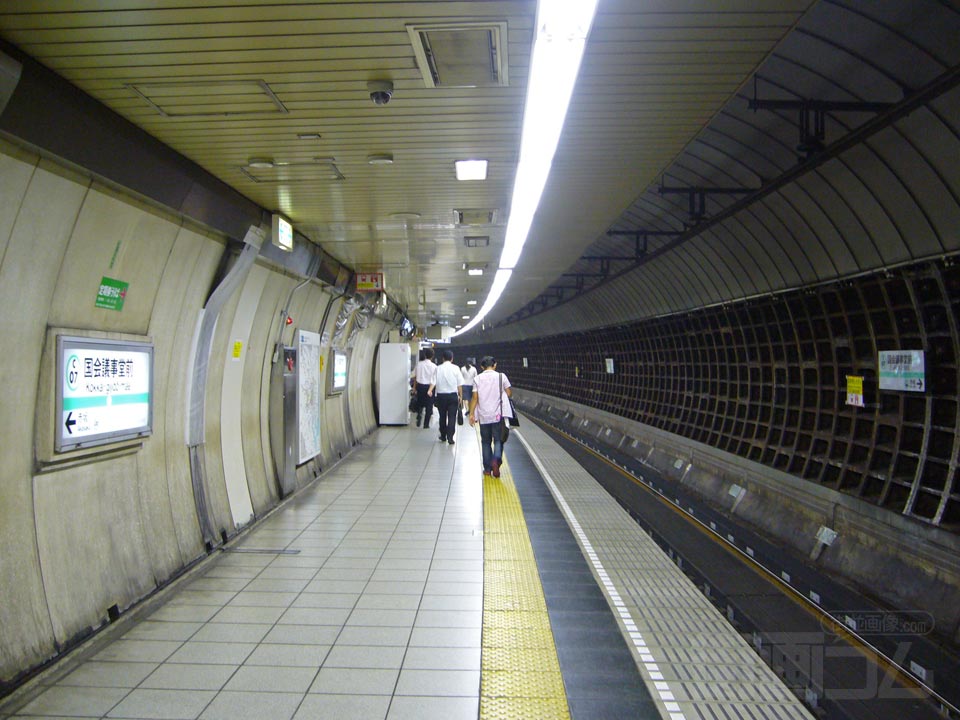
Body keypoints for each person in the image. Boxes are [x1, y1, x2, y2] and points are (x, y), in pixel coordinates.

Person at [468, 356, 512, 478]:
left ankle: (487, 469)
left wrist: (471, 414)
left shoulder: (477, 378)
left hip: (483, 416)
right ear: (495, 365)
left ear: (481, 367)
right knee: (498, 440)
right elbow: (509, 393)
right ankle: (496, 460)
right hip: (498, 415)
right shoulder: (501, 376)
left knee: (486, 442)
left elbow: (475, 398)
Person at [430, 348, 462, 444]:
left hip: (441, 396)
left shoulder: (438, 368)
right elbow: (459, 384)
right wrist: (460, 396)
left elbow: (433, 381)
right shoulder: (456, 368)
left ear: (443, 358)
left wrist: (430, 390)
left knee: (442, 416)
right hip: (453, 396)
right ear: (452, 359)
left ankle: (443, 436)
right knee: (452, 417)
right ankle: (450, 437)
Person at [413, 347, 437, 428]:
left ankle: (419, 415)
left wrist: (414, 388)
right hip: (429, 387)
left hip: (420, 386)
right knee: (429, 406)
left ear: (425, 355)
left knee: (420, 403)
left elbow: (415, 377)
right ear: (432, 356)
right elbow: (434, 380)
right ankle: (426, 424)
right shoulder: (434, 366)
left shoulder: (419, 364)